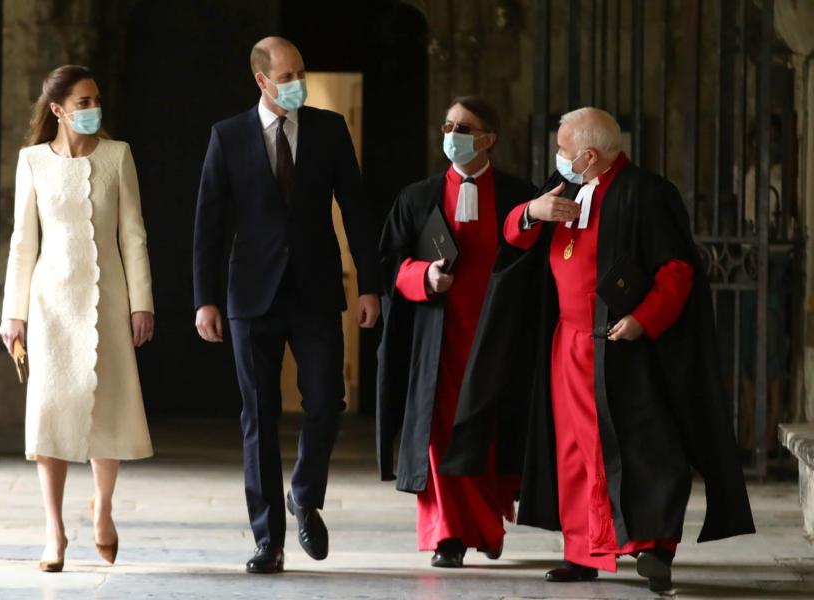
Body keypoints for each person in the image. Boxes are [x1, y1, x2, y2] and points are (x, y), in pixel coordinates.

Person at [440, 107, 755, 592]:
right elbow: (512, 238)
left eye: (564, 150)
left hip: (625, 346)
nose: (558, 158)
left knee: (643, 447)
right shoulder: (561, 187)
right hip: (567, 342)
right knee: (572, 450)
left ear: (588, 155)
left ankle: (652, 549)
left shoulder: (647, 194)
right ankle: (582, 551)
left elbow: (678, 271)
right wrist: (531, 211)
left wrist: (642, 320)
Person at [192, 36, 381, 574]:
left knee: (326, 401)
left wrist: (371, 284)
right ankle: (267, 540)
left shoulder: (328, 128)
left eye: (301, 71)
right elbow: (208, 225)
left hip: (316, 290)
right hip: (250, 297)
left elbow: (357, 209)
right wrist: (205, 299)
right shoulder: (226, 137)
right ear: (262, 81)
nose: (298, 80)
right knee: (260, 416)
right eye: (288, 73)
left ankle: (304, 492)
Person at [0, 64, 155, 573]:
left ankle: (103, 510)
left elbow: (133, 234)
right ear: (59, 111)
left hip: (107, 302)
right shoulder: (32, 162)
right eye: (83, 102)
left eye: (95, 99)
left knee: (105, 406)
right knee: (50, 412)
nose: (93, 109)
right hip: (49, 306)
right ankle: (54, 531)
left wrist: (141, 303)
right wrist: (13, 313)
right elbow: (23, 243)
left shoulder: (118, 156)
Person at [377, 97, 536, 568]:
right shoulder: (416, 198)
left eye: (463, 127)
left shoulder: (519, 197)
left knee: (488, 433)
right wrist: (422, 278)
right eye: (447, 125)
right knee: (439, 435)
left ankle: (485, 528)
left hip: (497, 338)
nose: (452, 134)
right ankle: (446, 534)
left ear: (488, 139)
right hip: (437, 340)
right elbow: (388, 265)